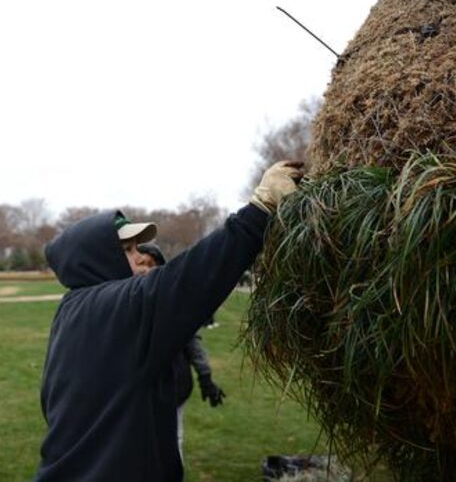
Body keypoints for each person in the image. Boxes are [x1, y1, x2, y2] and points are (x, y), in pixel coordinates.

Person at [34, 160, 303, 481]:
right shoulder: (117, 309)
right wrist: (260, 209)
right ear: (95, 258)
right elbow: (191, 278)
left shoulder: (73, 310)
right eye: (127, 250)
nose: (139, 257)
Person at [137, 242, 226, 460]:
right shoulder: (121, 301)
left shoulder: (173, 303)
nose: (145, 269)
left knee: (172, 439)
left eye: (151, 264)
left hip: (174, 384)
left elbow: (193, 343)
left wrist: (205, 377)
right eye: (141, 263)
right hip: (138, 388)